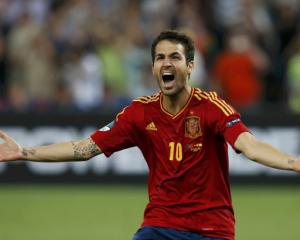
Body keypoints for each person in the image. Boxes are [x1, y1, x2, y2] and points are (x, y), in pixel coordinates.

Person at [0, 30, 299, 240]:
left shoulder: (211, 107)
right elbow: (86, 147)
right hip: (159, 226)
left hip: (212, 229)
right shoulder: (139, 114)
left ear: (190, 66)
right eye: (159, 58)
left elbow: (250, 145)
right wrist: (25, 152)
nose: (166, 63)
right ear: (154, 67)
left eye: (175, 57)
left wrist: (292, 162)